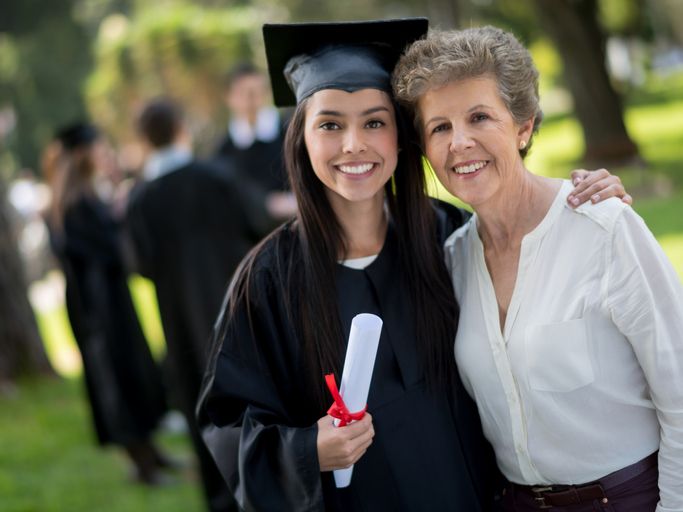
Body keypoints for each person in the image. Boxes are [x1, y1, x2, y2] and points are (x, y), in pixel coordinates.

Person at [197, 19, 631, 512]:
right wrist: (305, 450)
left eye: (375, 122)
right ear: (302, 139)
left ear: (402, 138)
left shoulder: (454, 237)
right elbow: (227, 424)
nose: (354, 144)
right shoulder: (269, 280)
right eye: (330, 124)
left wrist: (584, 200)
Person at [393, 26, 682, 511]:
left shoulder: (603, 230)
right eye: (439, 127)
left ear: (523, 126)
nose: (459, 142)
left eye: (479, 117)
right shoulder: (452, 259)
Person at [125, 98, 271, 512]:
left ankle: (221, 498)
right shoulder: (219, 176)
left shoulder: (142, 200)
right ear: (180, 128)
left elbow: (141, 264)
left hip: (182, 322)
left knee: (202, 406)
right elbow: (257, 222)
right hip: (239, 309)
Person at [44, 122, 170, 485]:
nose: (104, 155)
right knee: (117, 381)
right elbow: (107, 251)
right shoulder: (74, 203)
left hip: (110, 301)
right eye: (98, 149)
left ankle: (153, 454)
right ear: (83, 155)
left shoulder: (82, 197)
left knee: (134, 373)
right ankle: (142, 465)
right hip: (98, 309)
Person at [215, 62, 297, 222]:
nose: (251, 99)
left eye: (256, 92)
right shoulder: (224, 150)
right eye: (243, 93)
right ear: (229, 97)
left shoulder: (290, 131)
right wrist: (265, 204)